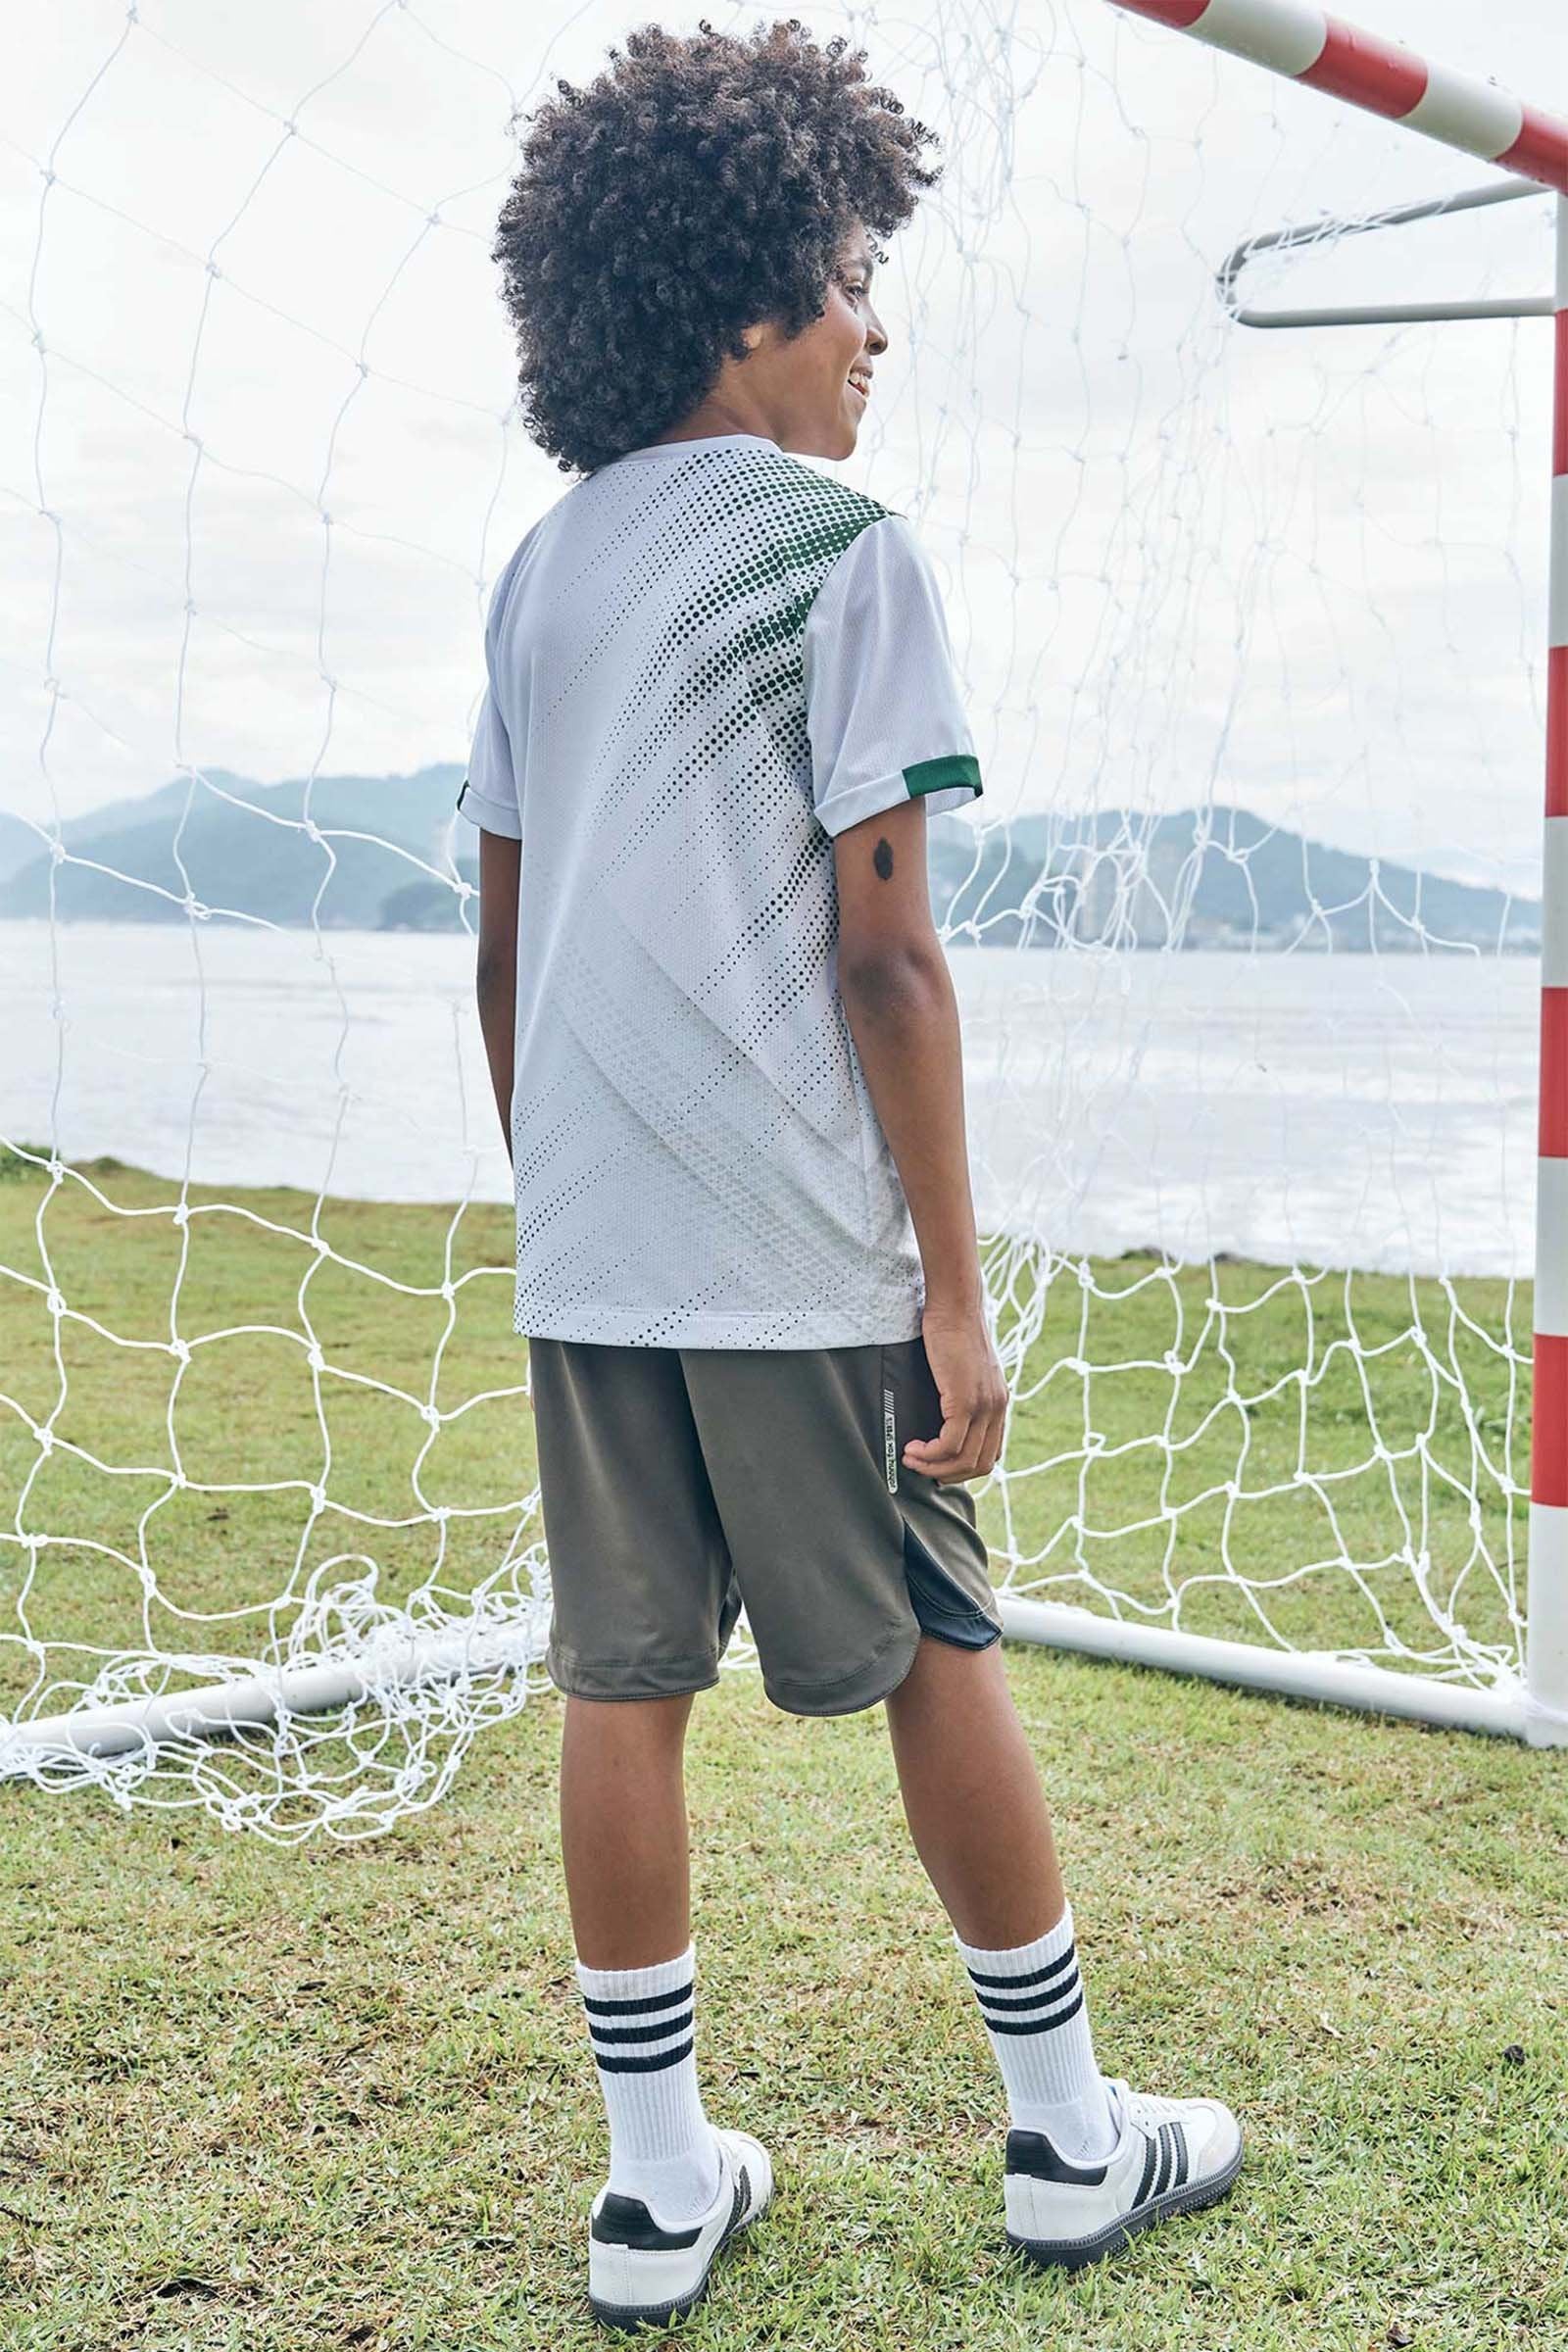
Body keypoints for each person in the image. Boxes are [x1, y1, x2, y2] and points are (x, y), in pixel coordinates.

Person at [459, 18, 1242, 2331]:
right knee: (937, 1646)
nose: (871, 330)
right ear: (738, 305)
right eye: (846, 282)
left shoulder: (536, 574)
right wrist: (952, 1291)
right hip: (798, 1246)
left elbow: (501, 950)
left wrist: (574, 1197)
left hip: (592, 1250)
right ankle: (1070, 2139)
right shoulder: (838, 549)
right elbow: (885, 956)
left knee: (619, 1685)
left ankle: (650, 2191)